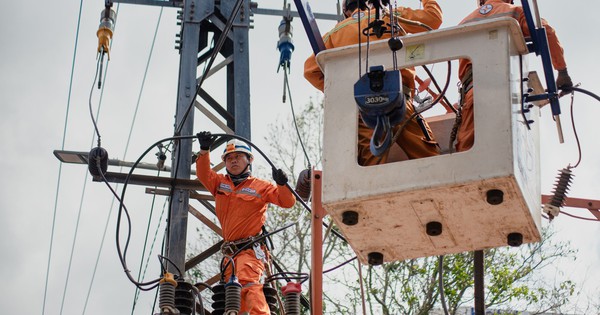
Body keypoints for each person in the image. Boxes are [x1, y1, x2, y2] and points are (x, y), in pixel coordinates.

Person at [304, 0, 443, 166]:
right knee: (431, 160)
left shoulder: (336, 32)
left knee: (370, 171)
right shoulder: (391, 16)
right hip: (400, 102)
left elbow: (310, 70)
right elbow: (433, 18)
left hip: (364, 110)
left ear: (347, 12)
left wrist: (346, 92)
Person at [195, 132, 296, 315]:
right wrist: (204, 150)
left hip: (250, 250)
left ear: (249, 159)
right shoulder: (219, 183)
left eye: (238, 156)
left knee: (248, 283)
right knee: (234, 297)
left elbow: (287, 202)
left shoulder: (260, 186)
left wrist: (282, 184)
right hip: (230, 255)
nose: (233, 161)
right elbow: (203, 174)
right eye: (229, 158)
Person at [455, 0, 573, 152]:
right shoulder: (515, 12)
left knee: (468, 154)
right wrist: (562, 71)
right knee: (506, 154)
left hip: (473, 94)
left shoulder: (464, 22)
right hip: (506, 90)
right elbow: (546, 32)